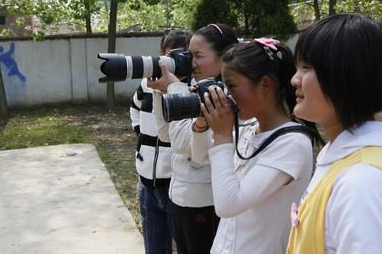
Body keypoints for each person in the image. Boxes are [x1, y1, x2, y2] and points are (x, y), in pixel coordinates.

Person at [287, 14, 382, 254]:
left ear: (347, 77)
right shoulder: (347, 158)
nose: (294, 80)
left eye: (307, 68)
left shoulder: (362, 182)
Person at [198, 38, 320, 254]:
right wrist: (200, 126)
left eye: (231, 86)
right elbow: (199, 157)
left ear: (265, 84)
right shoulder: (248, 128)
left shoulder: (292, 143)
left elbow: (228, 205)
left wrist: (222, 135)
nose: (227, 96)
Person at [148, 23, 238, 254]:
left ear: (224, 57)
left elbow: (181, 144)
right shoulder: (194, 86)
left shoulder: (224, 98)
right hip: (179, 197)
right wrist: (161, 92)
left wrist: (175, 88)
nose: (191, 63)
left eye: (198, 56)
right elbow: (165, 134)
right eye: (190, 55)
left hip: (205, 202)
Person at [130, 29, 191, 254]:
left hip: (174, 183)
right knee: (154, 248)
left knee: (184, 245)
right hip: (146, 183)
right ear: (160, 55)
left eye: (183, 55)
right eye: (170, 55)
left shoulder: (189, 90)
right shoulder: (146, 85)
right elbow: (134, 108)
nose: (175, 62)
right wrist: (141, 135)